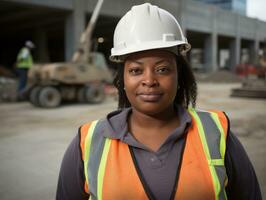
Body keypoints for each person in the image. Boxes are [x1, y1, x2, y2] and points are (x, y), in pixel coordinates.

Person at [56, 3, 262, 200]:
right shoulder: (89, 142)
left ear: (179, 76)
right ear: (123, 81)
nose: (149, 81)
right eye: (136, 70)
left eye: (162, 69)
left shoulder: (216, 133)